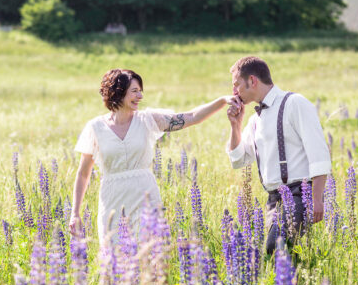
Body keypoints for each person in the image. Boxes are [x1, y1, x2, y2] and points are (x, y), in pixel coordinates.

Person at [71, 68, 234, 243]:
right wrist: (75, 213)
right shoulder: (95, 128)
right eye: (134, 91)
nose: (140, 96)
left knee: (149, 257)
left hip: (145, 200)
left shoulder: (147, 120)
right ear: (118, 92)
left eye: (141, 91)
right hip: (112, 203)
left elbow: (192, 116)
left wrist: (223, 101)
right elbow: (83, 174)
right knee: (114, 260)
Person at [225, 56, 331, 254]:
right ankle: (299, 284)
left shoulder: (295, 103)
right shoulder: (255, 120)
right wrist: (235, 124)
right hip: (274, 200)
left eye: (237, 85)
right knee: (285, 256)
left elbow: (319, 153)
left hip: (300, 193)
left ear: (253, 81)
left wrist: (317, 200)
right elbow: (238, 159)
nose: (234, 92)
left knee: (275, 248)